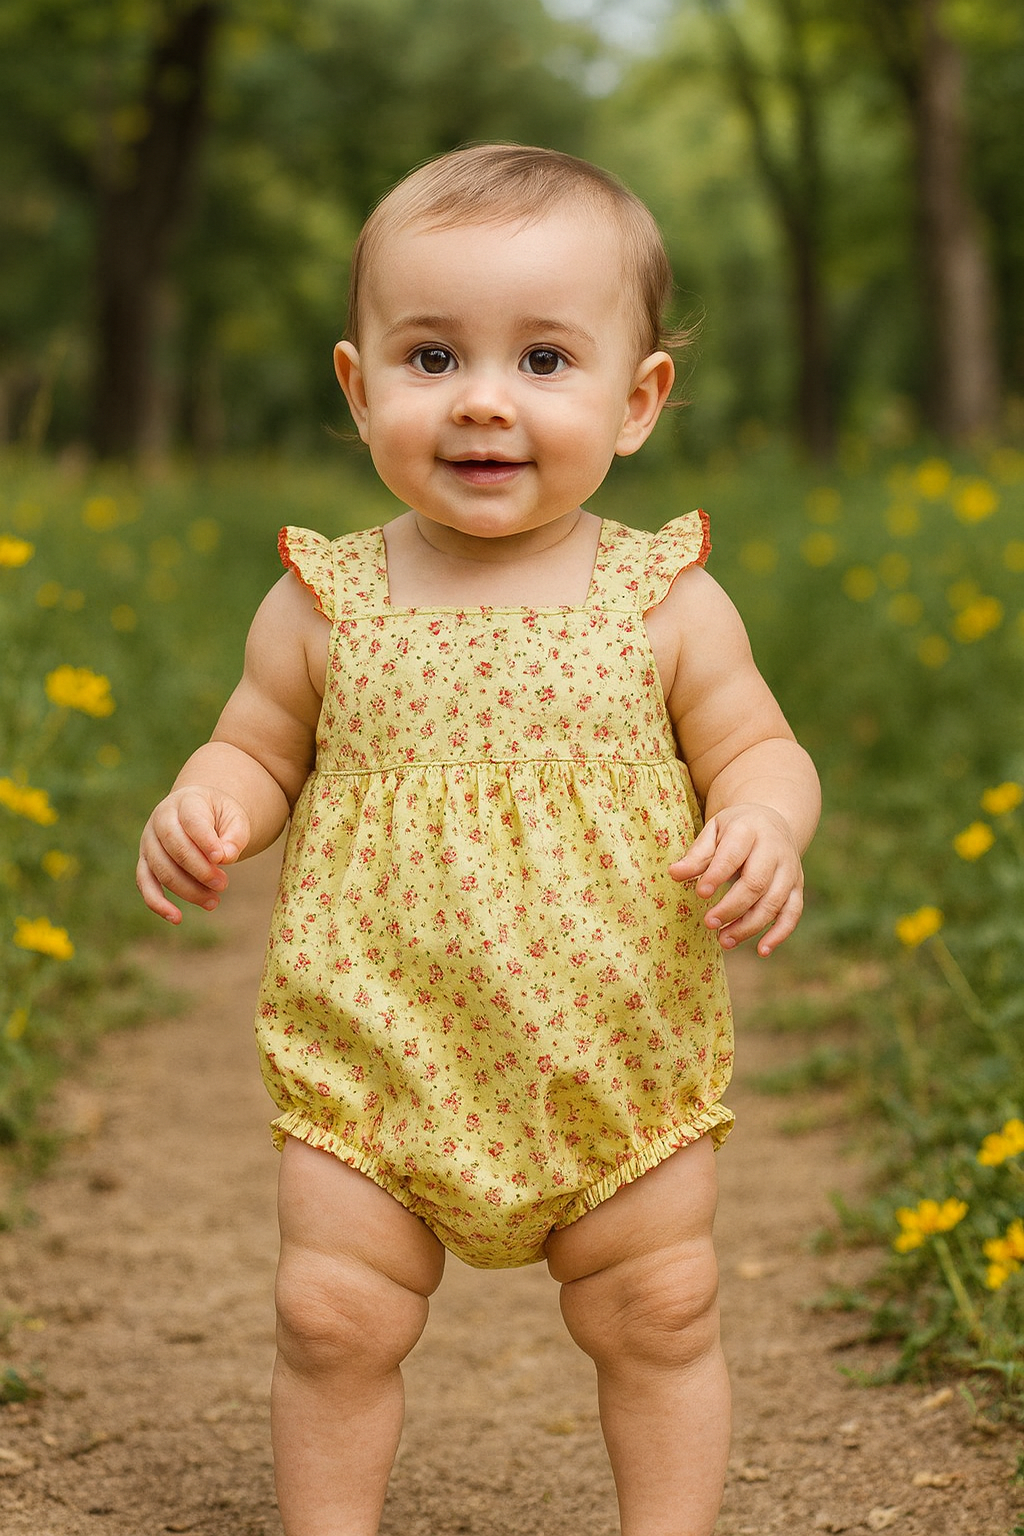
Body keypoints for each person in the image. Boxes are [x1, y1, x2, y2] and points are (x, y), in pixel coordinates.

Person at [138, 143, 820, 1536]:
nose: (484, 401)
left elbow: (759, 748)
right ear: (359, 387)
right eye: (433, 356)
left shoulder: (665, 600)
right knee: (330, 1317)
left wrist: (763, 818)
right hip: (376, 1052)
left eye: (545, 360)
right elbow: (256, 749)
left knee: (659, 1308)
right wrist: (209, 804)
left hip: (613, 1056)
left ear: (638, 400)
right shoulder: (326, 602)